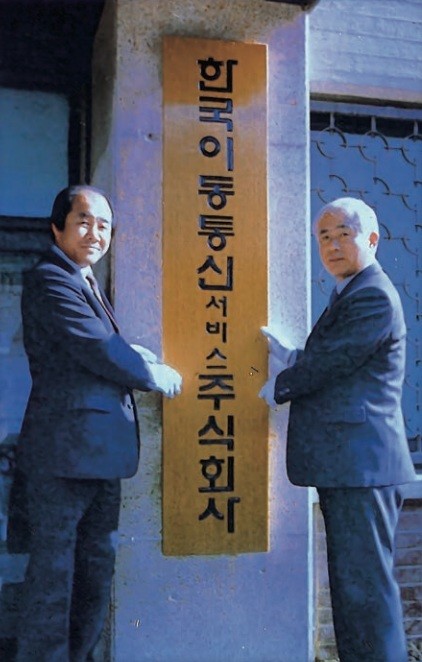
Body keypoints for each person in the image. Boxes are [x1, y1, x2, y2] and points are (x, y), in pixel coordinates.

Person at [8, 185, 182, 662]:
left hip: (99, 457)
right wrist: (150, 373)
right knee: (54, 579)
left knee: (93, 573)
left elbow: (97, 345)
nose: (95, 233)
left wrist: (135, 353)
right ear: (57, 227)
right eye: (83, 221)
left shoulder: (84, 280)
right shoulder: (51, 278)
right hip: (64, 458)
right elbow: (94, 346)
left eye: (104, 225)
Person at [260, 197, 416, 662]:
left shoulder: (372, 294)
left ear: (372, 239)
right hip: (352, 466)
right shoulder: (351, 291)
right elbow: (343, 361)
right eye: (324, 237)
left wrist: (280, 385)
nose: (331, 246)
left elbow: (335, 361)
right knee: (355, 591)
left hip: (363, 467)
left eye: (343, 234)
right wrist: (291, 356)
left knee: (366, 595)